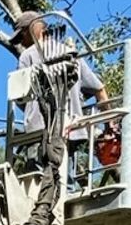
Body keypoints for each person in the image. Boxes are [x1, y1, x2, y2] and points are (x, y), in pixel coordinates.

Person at [10, 11, 113, 186]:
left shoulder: (28, 56)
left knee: (38, 181)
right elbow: (100, 90)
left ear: (34, 29)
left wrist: (28, 110)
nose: (22, 42)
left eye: (22, 35)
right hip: (68, 130)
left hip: (39, 130)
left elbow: (20, 95)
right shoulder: (71, 55)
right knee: (64, 181)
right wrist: (110, 125)